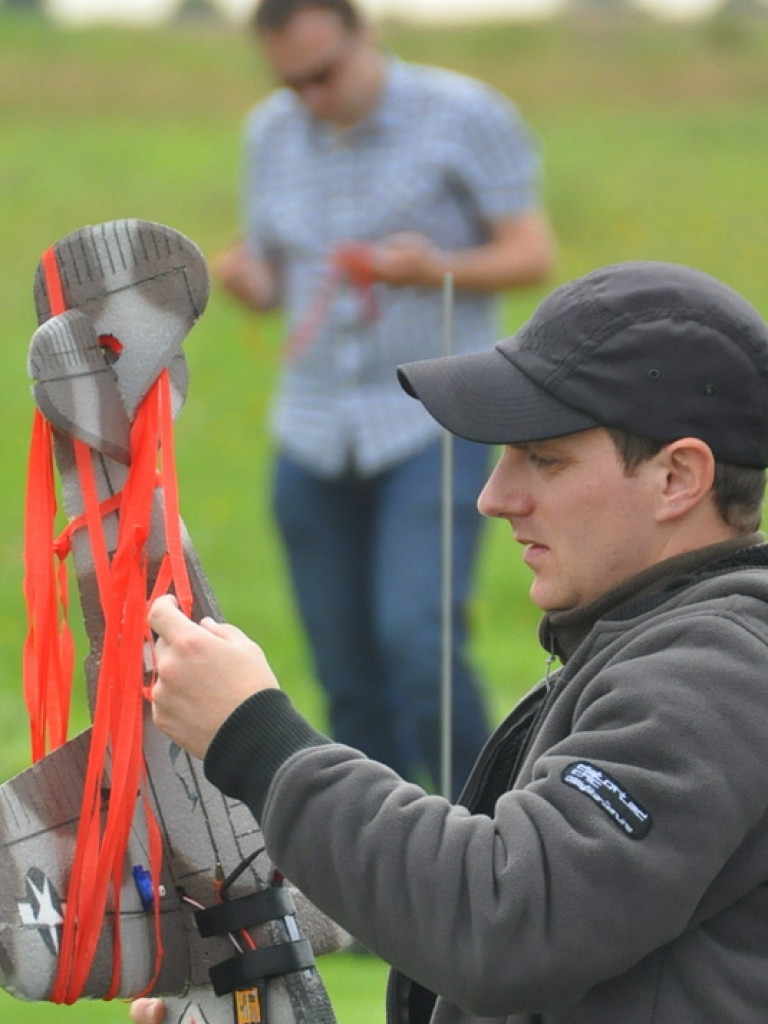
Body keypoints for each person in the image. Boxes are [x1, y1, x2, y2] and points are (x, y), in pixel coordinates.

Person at [133, 259, 768, 1023]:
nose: (495, 497)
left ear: (678, 478)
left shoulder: (714, 678)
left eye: (544, 458)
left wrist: (258, 739)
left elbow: (507, 923)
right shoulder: (662, 651)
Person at [212, 0, 555, 796]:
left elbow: (531, 253)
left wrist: (432, 267)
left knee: (418, 644)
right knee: (343, 665)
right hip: (310, 426)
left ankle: (491, 824)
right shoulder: (270, 132)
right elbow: (275, 279)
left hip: (428, 420)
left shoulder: (467, 113)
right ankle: (377, 847)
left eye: (324, 74)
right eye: (291, 82)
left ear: (363, 34)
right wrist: (245, 281)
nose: (311, 97)